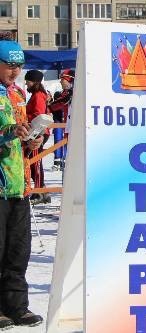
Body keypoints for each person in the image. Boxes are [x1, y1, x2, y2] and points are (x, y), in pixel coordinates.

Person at [0, 41, 43, 327]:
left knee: (18, 250)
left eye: (18, 65)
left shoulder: (17, 94)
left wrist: (32, 139)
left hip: (19, 183)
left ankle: (16, 306)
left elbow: (20, 135)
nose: (14, 71)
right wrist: (8, 131)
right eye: (9, 65)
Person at [23, 70, 49, 202]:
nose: (26, 84)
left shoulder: (38, 96)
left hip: (38, 132)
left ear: (35, 82)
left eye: (28, 82)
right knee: (34, 162)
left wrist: (24, 117)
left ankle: (39, 191)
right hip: (37, 131)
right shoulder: (37, 95)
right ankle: (43, 190)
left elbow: (38, 114)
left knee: (35, 162)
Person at [49, 70, 74, 170]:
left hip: (76, 129)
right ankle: (60, 162)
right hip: (66, 127)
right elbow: (54, 106)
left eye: (62, 80)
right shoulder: (65, 94)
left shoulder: (77, 93)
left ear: (69, 80)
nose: (60, 82)